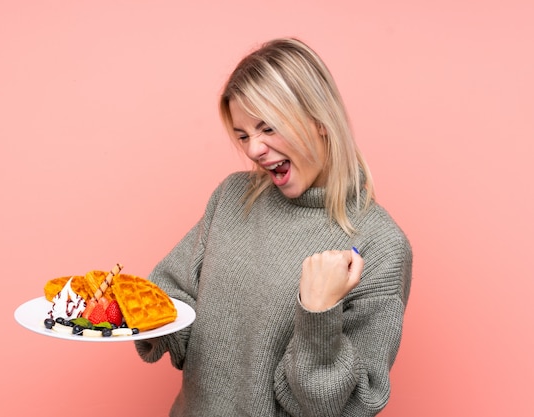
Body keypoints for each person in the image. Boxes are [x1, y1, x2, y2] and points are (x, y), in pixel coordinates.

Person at [135, 38, 412, 417]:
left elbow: (344, 407)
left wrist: (318, 313)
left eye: (268, 128)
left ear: (319, 122)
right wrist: (130, 310)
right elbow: (172, 295)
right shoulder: (233, 197)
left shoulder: (379, 244)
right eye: (244, 135)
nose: (253, 151)